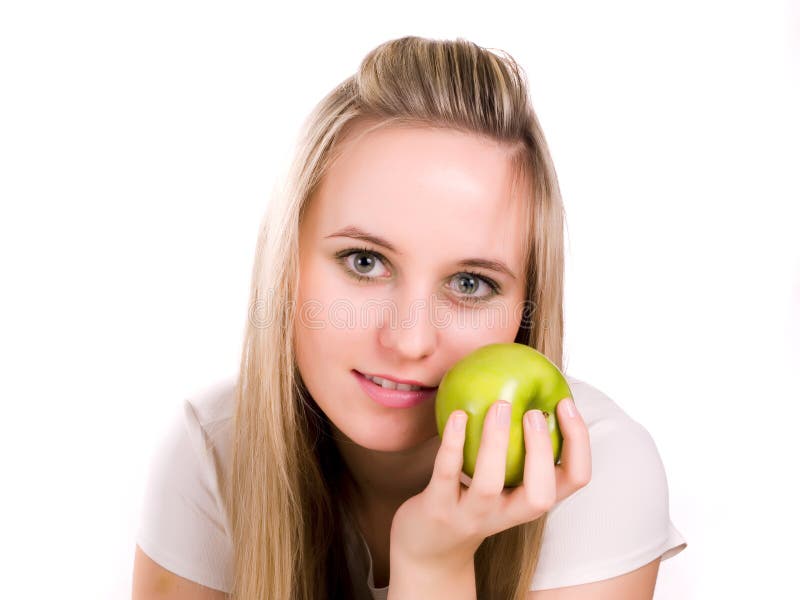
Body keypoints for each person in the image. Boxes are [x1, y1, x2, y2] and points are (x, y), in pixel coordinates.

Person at [132, 35, 687, 600]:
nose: (409, 339)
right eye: (364, 261)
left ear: (525, 310)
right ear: (285, 263)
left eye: (470, 284)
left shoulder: (595, 474)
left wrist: (434, 566)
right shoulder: (212, 456)